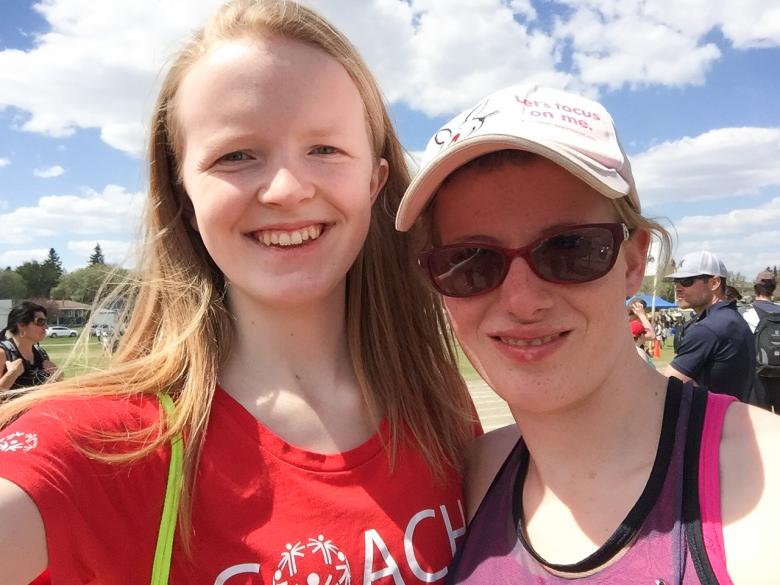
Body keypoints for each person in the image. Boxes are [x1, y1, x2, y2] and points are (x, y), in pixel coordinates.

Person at [0, 2, 476, 583]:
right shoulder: (101, 444)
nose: (285, 189)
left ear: (375, 182)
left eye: (324, 149)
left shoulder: (438, 402)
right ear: (184, 193)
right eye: (236, 156)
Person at [395, 84, 780, 583]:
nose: (521, 301)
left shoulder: (764, 487)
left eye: (570, 248)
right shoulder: (467, 481)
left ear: (634, 260)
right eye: (469, 262)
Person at [662, 250, 756, 402]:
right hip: (732, 417)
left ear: (714, 283)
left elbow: (666, 387)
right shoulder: (731, 318)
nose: (678, 287)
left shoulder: (708, 328)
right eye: (676, 281)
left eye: (686, 280)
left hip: (711, 421)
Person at [0, 301, 59, 398]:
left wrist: (57, 376)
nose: (46, 327)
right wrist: (11, 374)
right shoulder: (3, 353)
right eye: (40, 322)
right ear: (21, 325)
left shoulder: (41, 354)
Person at [742, 270, 780, 412]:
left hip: (758, 375)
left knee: (761, 419)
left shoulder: (746, 313)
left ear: (755, 288)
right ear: (773, 289)